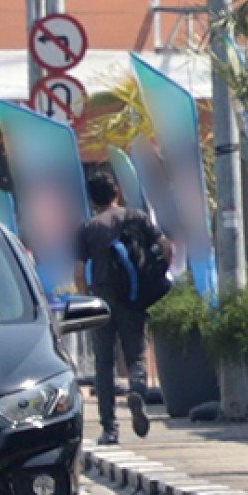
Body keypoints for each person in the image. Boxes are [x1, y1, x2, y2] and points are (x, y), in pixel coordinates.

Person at [75, 174, 169, 446]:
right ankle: (137, 390)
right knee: (136, 353)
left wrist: (87, 298)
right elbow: (165, 246)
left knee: (104, 363)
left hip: (102, 299)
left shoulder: (88, 228)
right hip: (133, 296)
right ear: (116, 192)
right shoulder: (136, 217)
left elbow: (79, 273)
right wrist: (156, 275)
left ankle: (110, 428)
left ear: (92, 199)